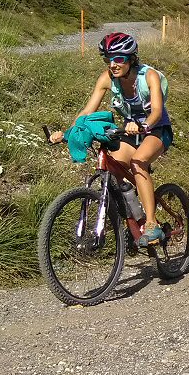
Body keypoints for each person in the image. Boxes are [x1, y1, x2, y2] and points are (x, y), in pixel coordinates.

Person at [50, 32, 173, 246]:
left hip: (156, 130)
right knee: (113, 167)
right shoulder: (106, 78)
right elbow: (87, 112)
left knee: (138, 162)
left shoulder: (149, 76)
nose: (113, 64)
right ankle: (135, 221)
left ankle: (152, 225)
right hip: (128, 132)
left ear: (131, 59)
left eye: (119, 59)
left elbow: (156, 111)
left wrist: (144, 126)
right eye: (108, 59)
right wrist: (67, 132)